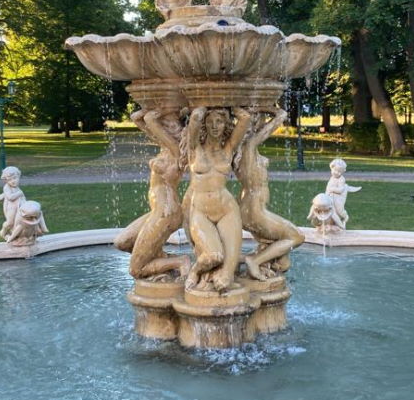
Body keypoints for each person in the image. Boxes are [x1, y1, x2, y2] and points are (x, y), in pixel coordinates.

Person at [114, 109, 190, 279]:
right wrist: (165, 111)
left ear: (182, 128)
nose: (166, 126)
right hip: (157, 210)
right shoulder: (166, 147)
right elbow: (137, 118)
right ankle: (162, 261)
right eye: (165, 124)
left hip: (167, 212)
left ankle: (181, 261)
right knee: (122, 243)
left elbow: (149, 118)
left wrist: (167, 107)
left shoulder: (178, 150)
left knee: (136, 270)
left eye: (171, 123)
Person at [186, 106, 251, 292]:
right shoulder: (194, 148)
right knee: (214, 256)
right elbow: (196, 116)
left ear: (226, 124)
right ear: (205, 124)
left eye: (220, 121)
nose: (215, 126)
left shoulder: (229, 148)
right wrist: (207, 99)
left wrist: (230, 102)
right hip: (201, 211)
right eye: (211, 121)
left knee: (227, 277)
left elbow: (245, 118)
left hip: (227, 209)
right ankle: (195, 270)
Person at [234, 109, 304, 280]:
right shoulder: (248, 147)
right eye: (258, 122)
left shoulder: (244, 151)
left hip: (249, 208)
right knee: (296, 237)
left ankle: (242, 260)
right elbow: (275, 121)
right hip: (255, 211)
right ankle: (255, 261)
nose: (261, 124)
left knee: (278, 242)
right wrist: (277, 113)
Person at [0, 166, 26, 240]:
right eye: (9, 180)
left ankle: (16, 235)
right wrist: (19, 193)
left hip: (18, 206)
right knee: (10, 222)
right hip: (11, 207)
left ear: (19, 176)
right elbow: (10, 197)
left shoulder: (17, 188)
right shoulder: (6, 187)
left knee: (18, 221)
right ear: (6, 181)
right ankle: (3, 232)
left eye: (15, 178)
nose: (13, 181)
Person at [325, 158, 362, 227]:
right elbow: (328, 188)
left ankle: (345, 217)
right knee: (331, 211)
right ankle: (332, 223)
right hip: (330, 197)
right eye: (335, 170)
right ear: (331, 168)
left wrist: (333, 189)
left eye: (340, 172)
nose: (337, 173)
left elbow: (341, 190)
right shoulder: (332, 178)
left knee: (340, 210)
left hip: (338, 198)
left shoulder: (341, 179)